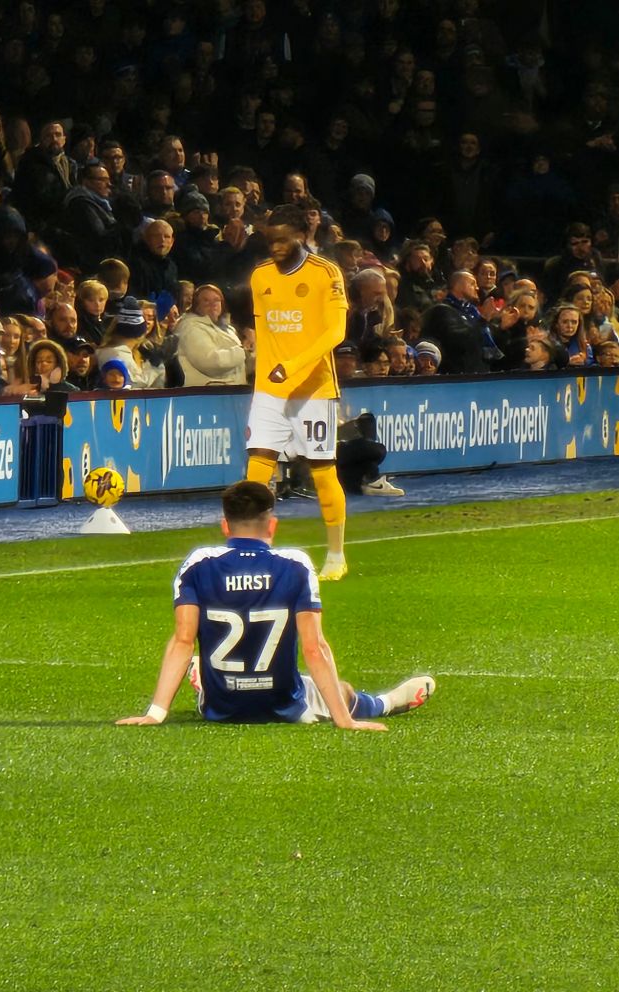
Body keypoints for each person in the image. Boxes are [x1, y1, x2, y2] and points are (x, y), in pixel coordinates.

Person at [116, 481, 434, 729]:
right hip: (284, 704)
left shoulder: (198, 563)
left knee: (214, 669)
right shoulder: (295, 564)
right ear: (272, 525)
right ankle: (384, 703)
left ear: (225, 526)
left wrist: (156, 713)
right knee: (343, 690)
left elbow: (183, 640)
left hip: (221, 709)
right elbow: (314, 648)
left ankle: (206, 679)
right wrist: (344, 720)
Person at [245, 204, 350, 582]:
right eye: (270, 239)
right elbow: (266, 333)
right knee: (256, 474)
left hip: (313, 390)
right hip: (270, 391)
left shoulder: (326, 273)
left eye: (283, 239)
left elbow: (335, 332)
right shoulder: (260, 276)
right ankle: (251, 552)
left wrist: (292, 365)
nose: (275, 246)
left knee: (322, 473)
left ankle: (336, 555)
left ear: (303, 236)